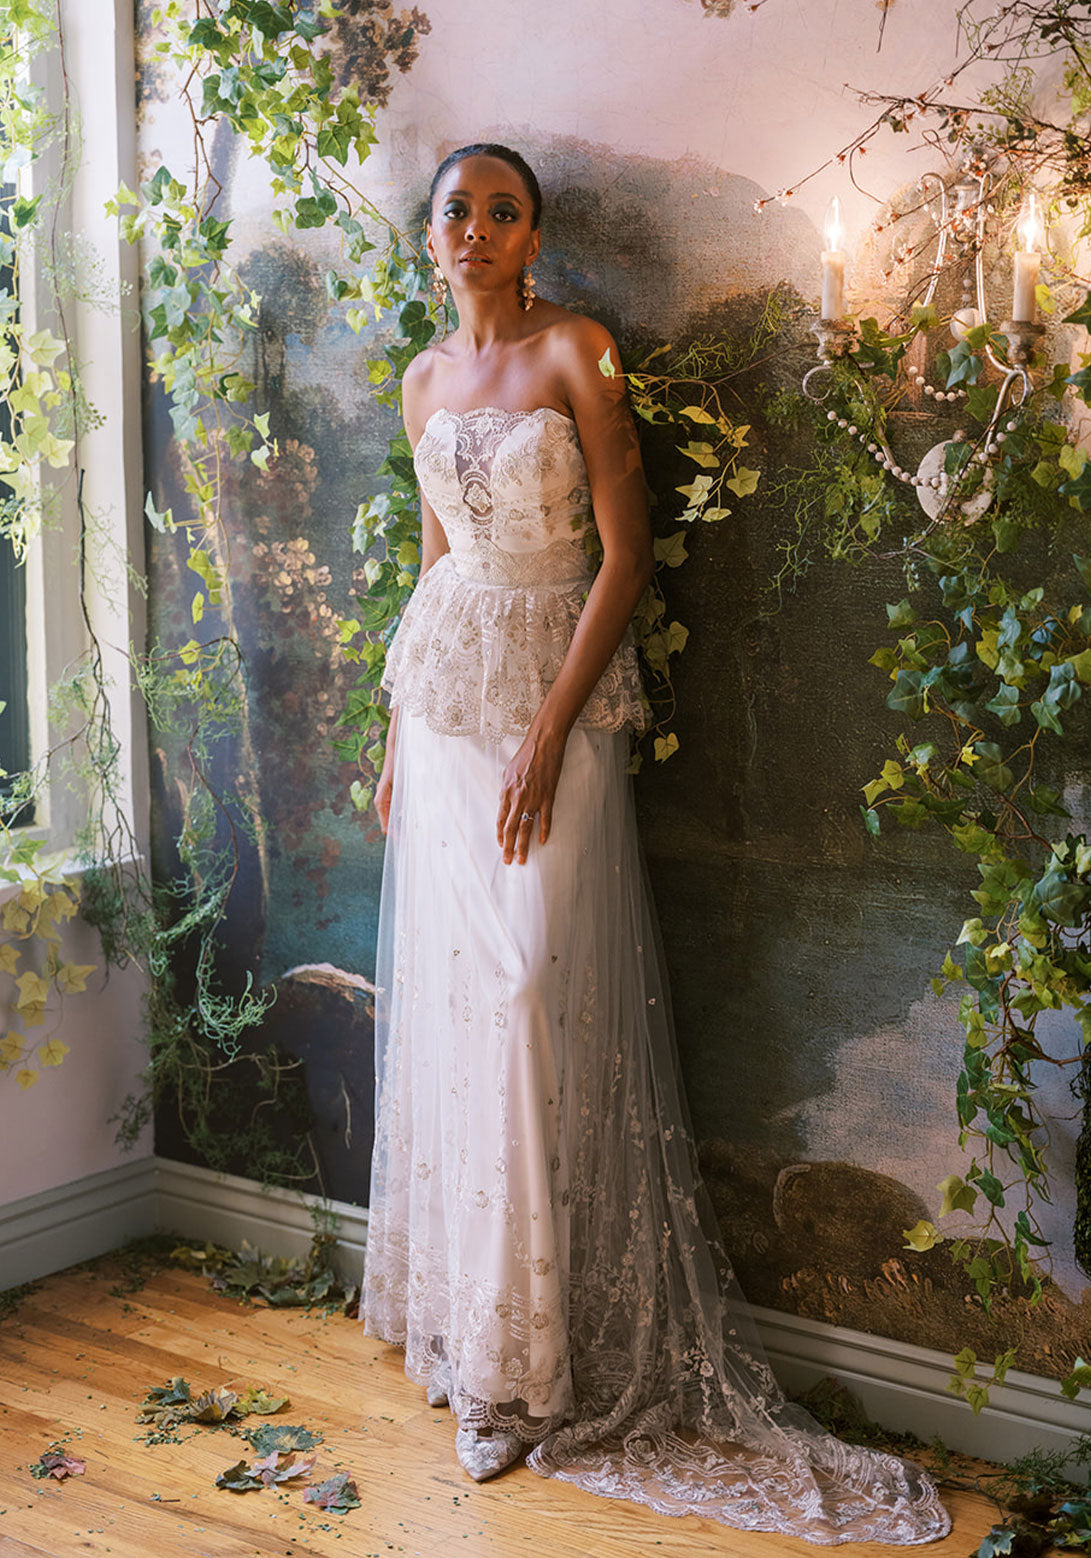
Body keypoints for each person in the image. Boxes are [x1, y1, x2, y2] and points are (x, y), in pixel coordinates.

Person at [359, 141, 952, 1544]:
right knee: (458, 1003)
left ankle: (537, 1357)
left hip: (551, 703)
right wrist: (396, 740)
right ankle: (477, 1346)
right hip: (443, 708)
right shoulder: (421, 383)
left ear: (535, 232)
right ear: (433, 238)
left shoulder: (586, 352)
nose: (479, 230)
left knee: (524, 995)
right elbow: (436, 559)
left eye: (505, 210)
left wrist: (554, 727)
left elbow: (626, 554)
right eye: (459, 211)